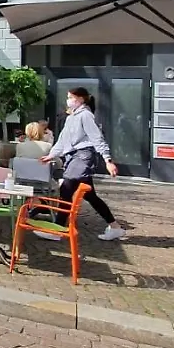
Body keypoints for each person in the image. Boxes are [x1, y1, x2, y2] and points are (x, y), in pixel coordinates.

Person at [40, 87, 125, 241]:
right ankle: (115, 227)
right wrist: (51, 155)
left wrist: (108, 160)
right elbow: (63, 140)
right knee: (90, 195)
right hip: (73, 158)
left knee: (66, 189)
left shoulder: (86, 115)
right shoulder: (71, 117)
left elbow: (97, 138)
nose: (68, 100)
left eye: (70, 97)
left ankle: (58, 230)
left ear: (79, 99)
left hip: (83, 156)